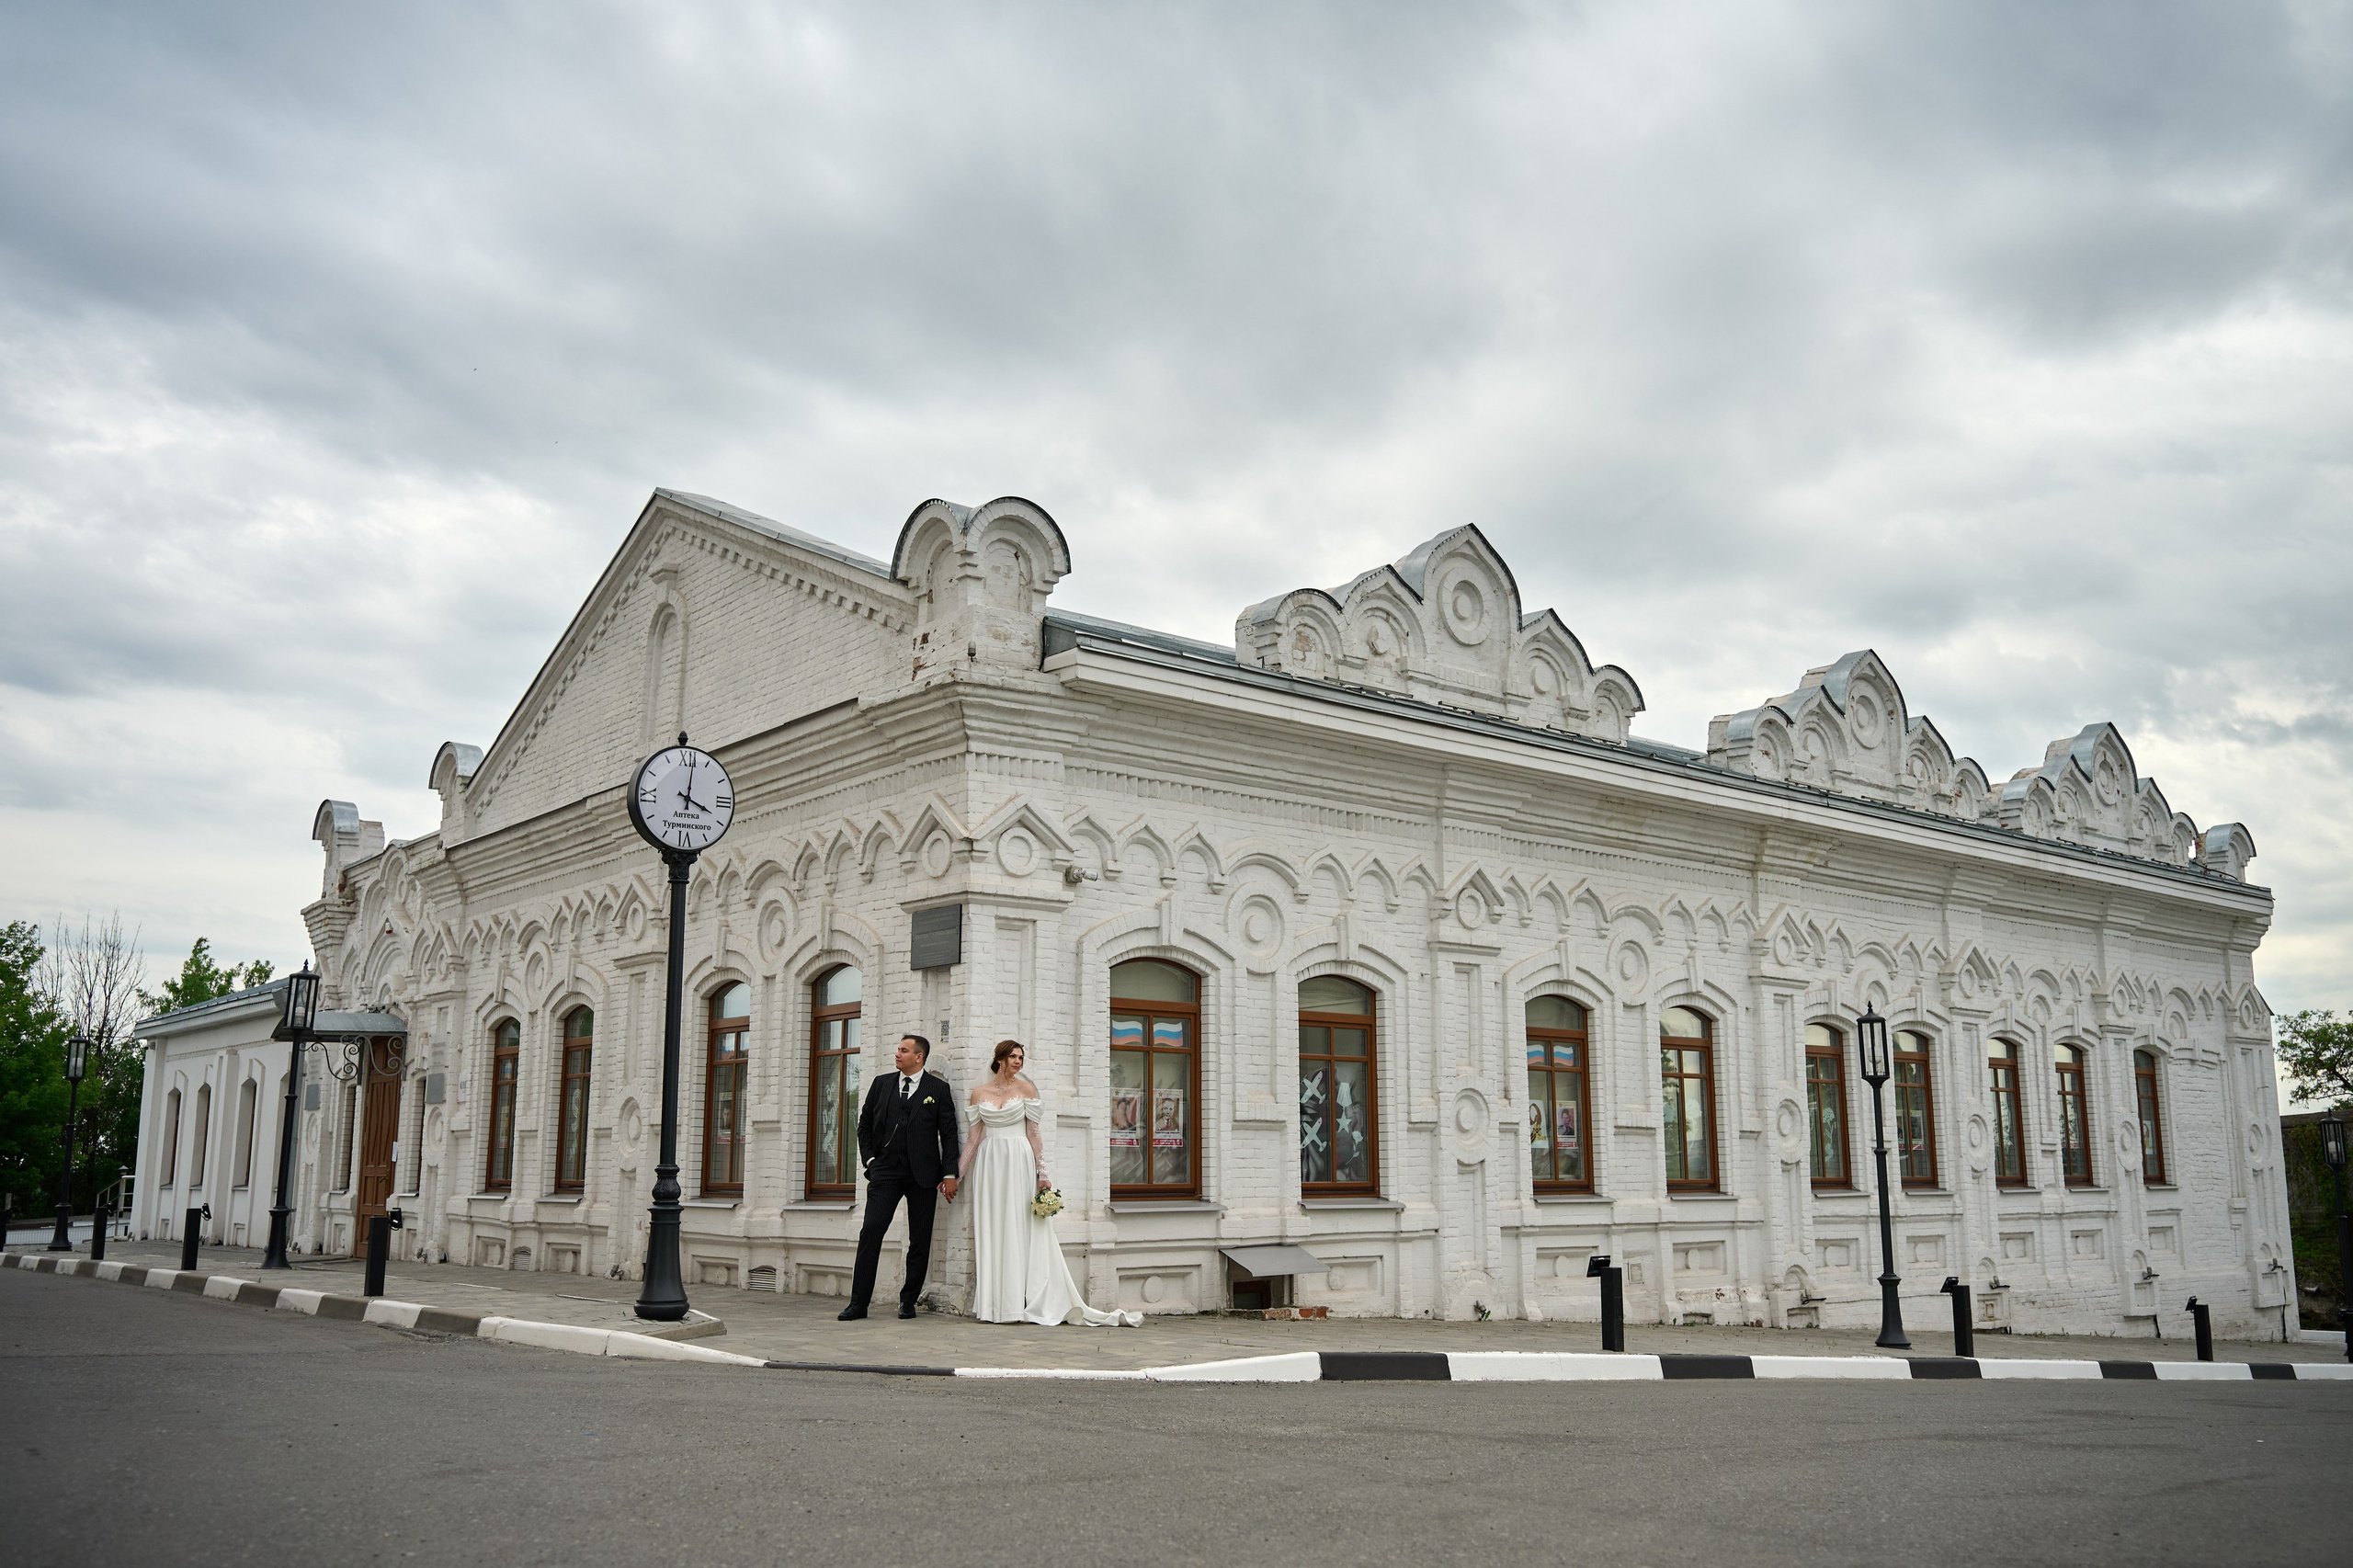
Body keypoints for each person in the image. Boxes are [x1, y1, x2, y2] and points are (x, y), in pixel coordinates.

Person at [961, 1039, 1140, 1327]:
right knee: (991, 1226)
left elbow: (1034, 1135)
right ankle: (994, 1305)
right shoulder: (978, 1093)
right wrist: (956, 1176)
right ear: (1001, 1059)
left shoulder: (1026, 1089)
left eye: (1021, 1057)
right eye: (1014, 1056)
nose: (1018, 1061)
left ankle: (1017, 1302)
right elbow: (972, 1140)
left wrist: (1042, 1173)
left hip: (1019, 1161)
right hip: (989, 1163)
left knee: (1019, 1227)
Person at [840, 1033, 961, 1321]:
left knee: (920, 1240)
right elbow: (864, 1125)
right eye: (898, 1049)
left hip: (923, 1175)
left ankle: (908, 1301)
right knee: (871, 1231)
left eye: (904, 1050)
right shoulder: (881, 1084)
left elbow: (949, 1134)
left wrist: (950, 1173)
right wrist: (870, 1161)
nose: (898, 1054)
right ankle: (858, 1304)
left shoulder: (938, 1089)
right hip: (886, 1173)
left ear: (919, 1057)